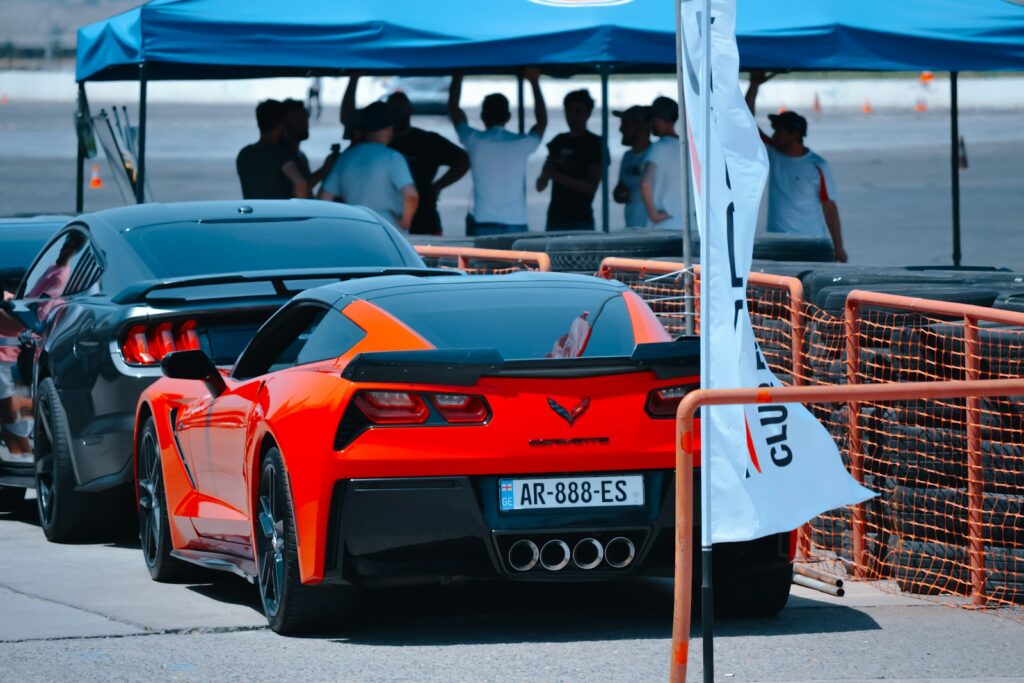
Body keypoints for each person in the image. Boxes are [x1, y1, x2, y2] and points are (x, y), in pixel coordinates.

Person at [342, 76, 470, 235]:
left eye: (400, 109)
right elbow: (348, 119)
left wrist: (437, 186)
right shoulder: (378, 146)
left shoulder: (428, 141)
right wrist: (354, 78)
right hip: (389, 221)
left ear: (410, 111)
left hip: (423, 218)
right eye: (393, 110)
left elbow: (463, 160)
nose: (397, 114)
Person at [745, 70, 848, 262]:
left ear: (795, 134)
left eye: (779, 131)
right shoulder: (773, 153)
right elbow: (746, 121)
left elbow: (829, 207)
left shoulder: (818, 165)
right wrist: (754, 85)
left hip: (812, 243)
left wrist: (838, 247)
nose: (774, 135)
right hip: (777, 243)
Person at [449, 68, 547, 236]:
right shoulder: (521, 143)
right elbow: (542, 122)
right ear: (508, 116)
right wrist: (534, 82)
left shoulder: (474, 140)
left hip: (484, 222)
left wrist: (458, 75)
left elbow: (454, 109)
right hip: (517, 221)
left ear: (482, 116)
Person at [319, 102, 419, 231]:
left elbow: (325, 197)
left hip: (354, 228)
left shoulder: (345, 157)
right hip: (386, 230)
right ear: (389, 129)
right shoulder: (392, 158)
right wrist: (405, 223)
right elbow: (411, 195)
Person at [536, 89, 603, 231]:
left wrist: (556, 175)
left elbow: (591, 186)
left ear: (588, 113)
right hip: (555, 219)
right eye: (569, 111)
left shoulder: (595, 144)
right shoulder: (558, 141)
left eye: (578, 111)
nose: (573, 116)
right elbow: (540, 185)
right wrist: (546, 175)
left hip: (581, 220)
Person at [236, 99, 309, 199]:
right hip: (278, 209)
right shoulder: (280, 153)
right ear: (282, 124)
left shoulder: (244, 154)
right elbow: (301, 184)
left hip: (253, 209)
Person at [639, 96, 684, 229]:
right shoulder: (687, 147)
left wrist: (653, 215)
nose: (650, 124)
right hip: (689, 225)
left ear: (659, 119)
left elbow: (645, 183)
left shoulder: (659, 147)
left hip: (664, 226)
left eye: (652, 119)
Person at [281, 98, 338, 196]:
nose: (305, 123)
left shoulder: (301, 156)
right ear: (284, 124)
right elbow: (300, 187)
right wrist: (325, 169)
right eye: (298, 120)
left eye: (306, 117)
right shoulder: (280, 155)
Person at [611, 105, 653, 228]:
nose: (621, 129)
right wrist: (620, 193)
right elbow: (618, 193)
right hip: (632, 227)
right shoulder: (627, 156)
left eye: (626, 124)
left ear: (641, 126)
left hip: (653, 230)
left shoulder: (656, 154)